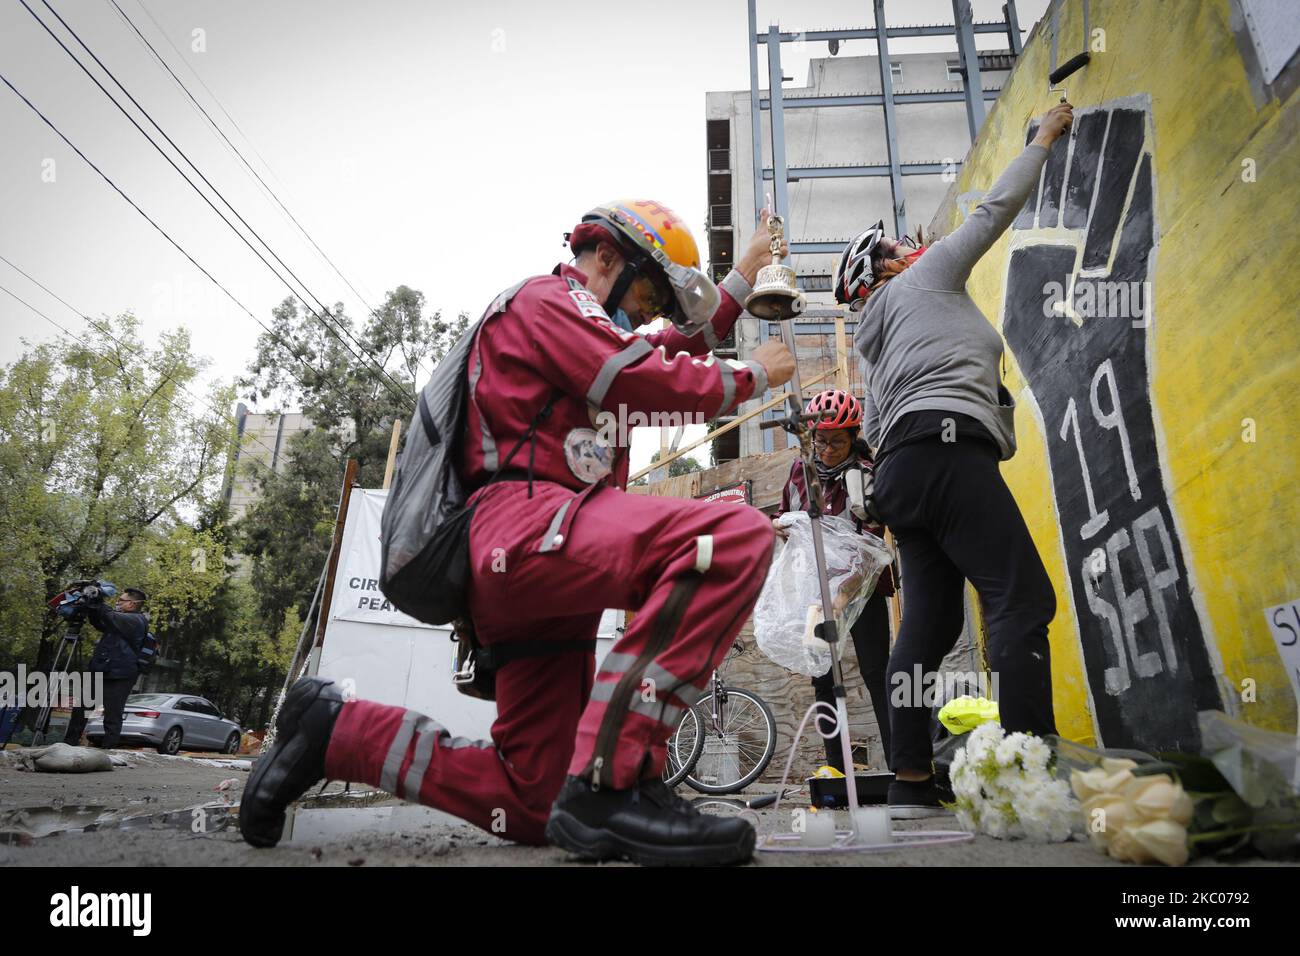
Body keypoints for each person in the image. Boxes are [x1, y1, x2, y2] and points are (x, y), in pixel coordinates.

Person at [240, 199, 796, 865]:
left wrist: (744, 276)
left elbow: (664, 348)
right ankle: (616, 780)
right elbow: (635, 376)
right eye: (648, 290)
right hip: (528, 524)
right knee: (731, 535)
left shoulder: (586, 324)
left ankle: (333, 731)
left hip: (536, 566)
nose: (650, 312)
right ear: (608, 258)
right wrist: (753, 376)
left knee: (535, 805)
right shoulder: (546, 300)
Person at [839, 103, 1074, 818]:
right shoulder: (924, 279)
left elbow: (875, 434)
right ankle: (1029, 771)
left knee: (929, 629)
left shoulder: (875, 352)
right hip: (949, 455)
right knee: (1020, 597)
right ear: (887, 268)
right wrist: (1042, 137)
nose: (913, 250)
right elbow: (993, 211)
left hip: (902, 478)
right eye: (898, 251)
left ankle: (910, 779)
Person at [773, 387, 895, 773]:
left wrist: (843, 598)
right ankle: (836, 768)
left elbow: (871, 547)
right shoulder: (800, 471)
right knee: (823, 678)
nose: (826, 450)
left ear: (854, 437)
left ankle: (901, 764)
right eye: (821, 441)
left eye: (837, 442)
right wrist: (782, 529)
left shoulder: (868, 477)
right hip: (816, 592)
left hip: (862, 590)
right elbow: (786, 518)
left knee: (879, 673)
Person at [85, 587, 149, 749]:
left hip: (121, 674)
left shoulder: (136, 620)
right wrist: (91, 606)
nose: (118, 602)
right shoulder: (119, 620)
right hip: (101, 669)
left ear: (132, 604)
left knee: (112, 713)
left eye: (121, 600)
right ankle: (70, 743)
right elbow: (99, 622)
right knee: (81, 708)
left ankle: (108, 749)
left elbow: (109, 615)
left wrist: (98, 599)